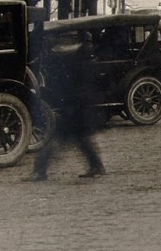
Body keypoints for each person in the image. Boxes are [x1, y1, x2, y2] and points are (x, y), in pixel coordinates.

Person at [29, 35, 105, 180]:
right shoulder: (83, 58)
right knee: (81, 140)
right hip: (79, 106)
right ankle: (97, 166)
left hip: (75, 106)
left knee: (59, 139)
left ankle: (40, 171)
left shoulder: (75, 58)